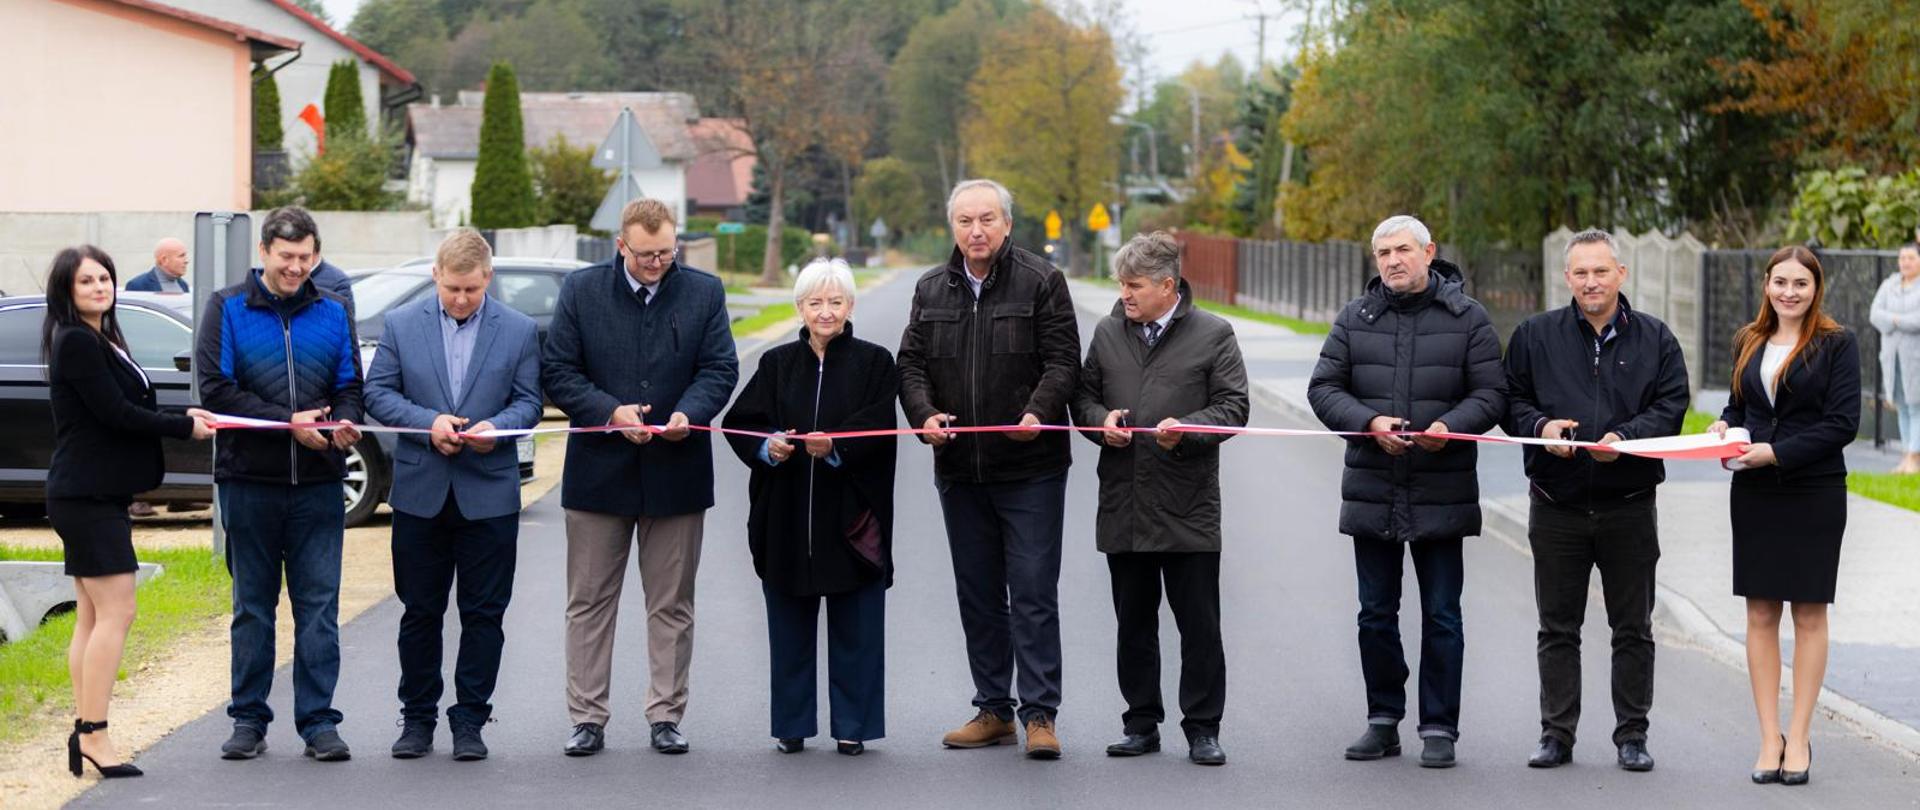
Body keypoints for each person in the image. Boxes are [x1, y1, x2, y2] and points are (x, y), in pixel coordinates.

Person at [1306, 214, 1505, 769]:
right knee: (1375, 613)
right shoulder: (1355, 317)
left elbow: (1492, 394)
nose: (1393, 261)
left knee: (1443, 614)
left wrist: (1451, 426)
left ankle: (1439, 726)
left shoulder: (1468, 319)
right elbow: (1323, 389)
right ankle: (1383, 720)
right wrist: (1368, 422)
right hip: (1373, 486)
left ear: (1428, 252)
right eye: (1382, 253)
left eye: (1402, 250)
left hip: (1442, 488)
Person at [543, 198, 738, 756]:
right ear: (620, 246)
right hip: (598, 475)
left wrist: (690, 415)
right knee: (588, 602)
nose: (658, 263)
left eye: (666, 251)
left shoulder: (704, 291)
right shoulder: (581, 292)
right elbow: (558, 370)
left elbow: (720, 367)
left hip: (676, 472)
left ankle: (666, 715)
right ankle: (587, 717)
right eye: (646, 254)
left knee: (672, 604)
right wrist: (608, 411)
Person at [897, 178, 1080, 759]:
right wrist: (923, 415)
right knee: (978, 594)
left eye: (986, 220)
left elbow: (1063, 360)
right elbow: (911, 365)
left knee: (1031, 593)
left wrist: (1039, 410)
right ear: (952, 226)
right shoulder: (931, 289)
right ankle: (993, 709)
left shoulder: (1041, 280)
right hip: (960, 471)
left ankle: (1041, 714)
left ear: (1006, 224)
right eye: (965, 221)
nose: (975, 231)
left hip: (1031, 469)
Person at [1502, 229, 1689, 772]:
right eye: (1580, 273)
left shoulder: (1656, 338)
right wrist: (1541, 426)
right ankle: (1556, 734)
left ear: (1620, 275)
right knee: (1557, 626)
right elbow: (1509, 399)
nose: (1591, 282)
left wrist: (1625, 441)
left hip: (1628, 502)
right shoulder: (1535, 335)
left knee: (1633, 627)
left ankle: (1632, 735)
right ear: (1567, 278)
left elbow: (1672, 406)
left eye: (1600, 271)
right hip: (1554, 503)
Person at [363, 229, 543, 762]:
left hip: (489, 494)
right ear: (435, 276)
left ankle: (470, 720)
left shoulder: (518, 329)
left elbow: (530, 402)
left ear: (488, 278)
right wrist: (428, 421)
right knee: (420, 611)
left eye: (471, 289)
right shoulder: (400, 324)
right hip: (421, 492)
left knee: (484, 614)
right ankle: (417, 718)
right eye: (452, 289)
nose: (461, 299)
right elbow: (378, 393)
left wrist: (497, 427)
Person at [1070, 232, 1248, 766]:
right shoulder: (1106, 333)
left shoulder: (1214, 334)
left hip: (1188, 506)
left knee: (1199, 626)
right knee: (1134, 624)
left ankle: (1203, 729)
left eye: (1135, 285)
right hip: (1124, 503)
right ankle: (1141, 723)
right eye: (1120, 284)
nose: (1124, 294)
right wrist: (1101, 423)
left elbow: (1234, 407)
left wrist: (1188, 428)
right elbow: (1082, 397)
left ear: (1168, 286)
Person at [195, 205, 364, 762]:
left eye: (306, 257)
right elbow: (216, 389)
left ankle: (319, 724)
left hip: (318, 484)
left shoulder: (335, 310)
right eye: (287, 257)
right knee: (253, 607)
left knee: (319, 607)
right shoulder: (227, 307)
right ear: (264, 252)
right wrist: (285, 423)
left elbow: (350, 386)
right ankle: (248, 720)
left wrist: (341, 422)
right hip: (249, 480)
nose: (296, 268)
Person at [43, 246, 215, 779]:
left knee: (94, 617)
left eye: (104, 278)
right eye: (86, 281)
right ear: (67, 292)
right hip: (86, 497)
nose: (99, 287)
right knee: (118, 612)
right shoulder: (75, 341)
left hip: (94, 494)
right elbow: (116, 415)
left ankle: (84, 727)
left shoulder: (100, 338)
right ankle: (95, 733)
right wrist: (183, 426)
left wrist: (182, 414)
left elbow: (127, 407)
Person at [721, 258, 898, 756]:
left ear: (850, 306)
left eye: (835, 301)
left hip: (852, 516)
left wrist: (837, 446)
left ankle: (853, 725)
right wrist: (768, 447)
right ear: (798, 307)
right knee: (789, 627)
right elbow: (742, 421)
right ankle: (791, 724)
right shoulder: (777, 364)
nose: (825, 312)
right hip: (788, 514)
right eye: (815, 302)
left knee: (857, 628)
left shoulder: (875, 362)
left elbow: (881, 424)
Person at [1708, 246, 1860, 787]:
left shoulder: (1836, 345)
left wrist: (1776, 452)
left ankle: (1799, 737)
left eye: (1800, 283)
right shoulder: (1749, 339)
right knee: (1760, 615)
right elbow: (1737, 405)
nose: (1788, 292)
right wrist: (1722, 428)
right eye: (1780, 282)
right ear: (1767, 285)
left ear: (1816, 288)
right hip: (1753, 493)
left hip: (1813, 490)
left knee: (1810, 615)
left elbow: (1844, 423)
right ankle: (1768, 735)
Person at [1868, 243, 1920, 473]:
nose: (1905, 262)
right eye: (1902, 258)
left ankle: (1914, 457)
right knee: (1901, 405)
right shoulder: (1889, 284)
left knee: (1916, 406)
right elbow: (1874, 314)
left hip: (1915, 359)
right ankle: (1906, 456)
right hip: (1892, 359)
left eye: (1910, 257)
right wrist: (1901, 319)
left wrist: (1894, 320)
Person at [123, 237, 189, 293]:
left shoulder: (183, 285)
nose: (186, 261)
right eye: (181, 256)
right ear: (164, 260)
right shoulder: (138, 286)